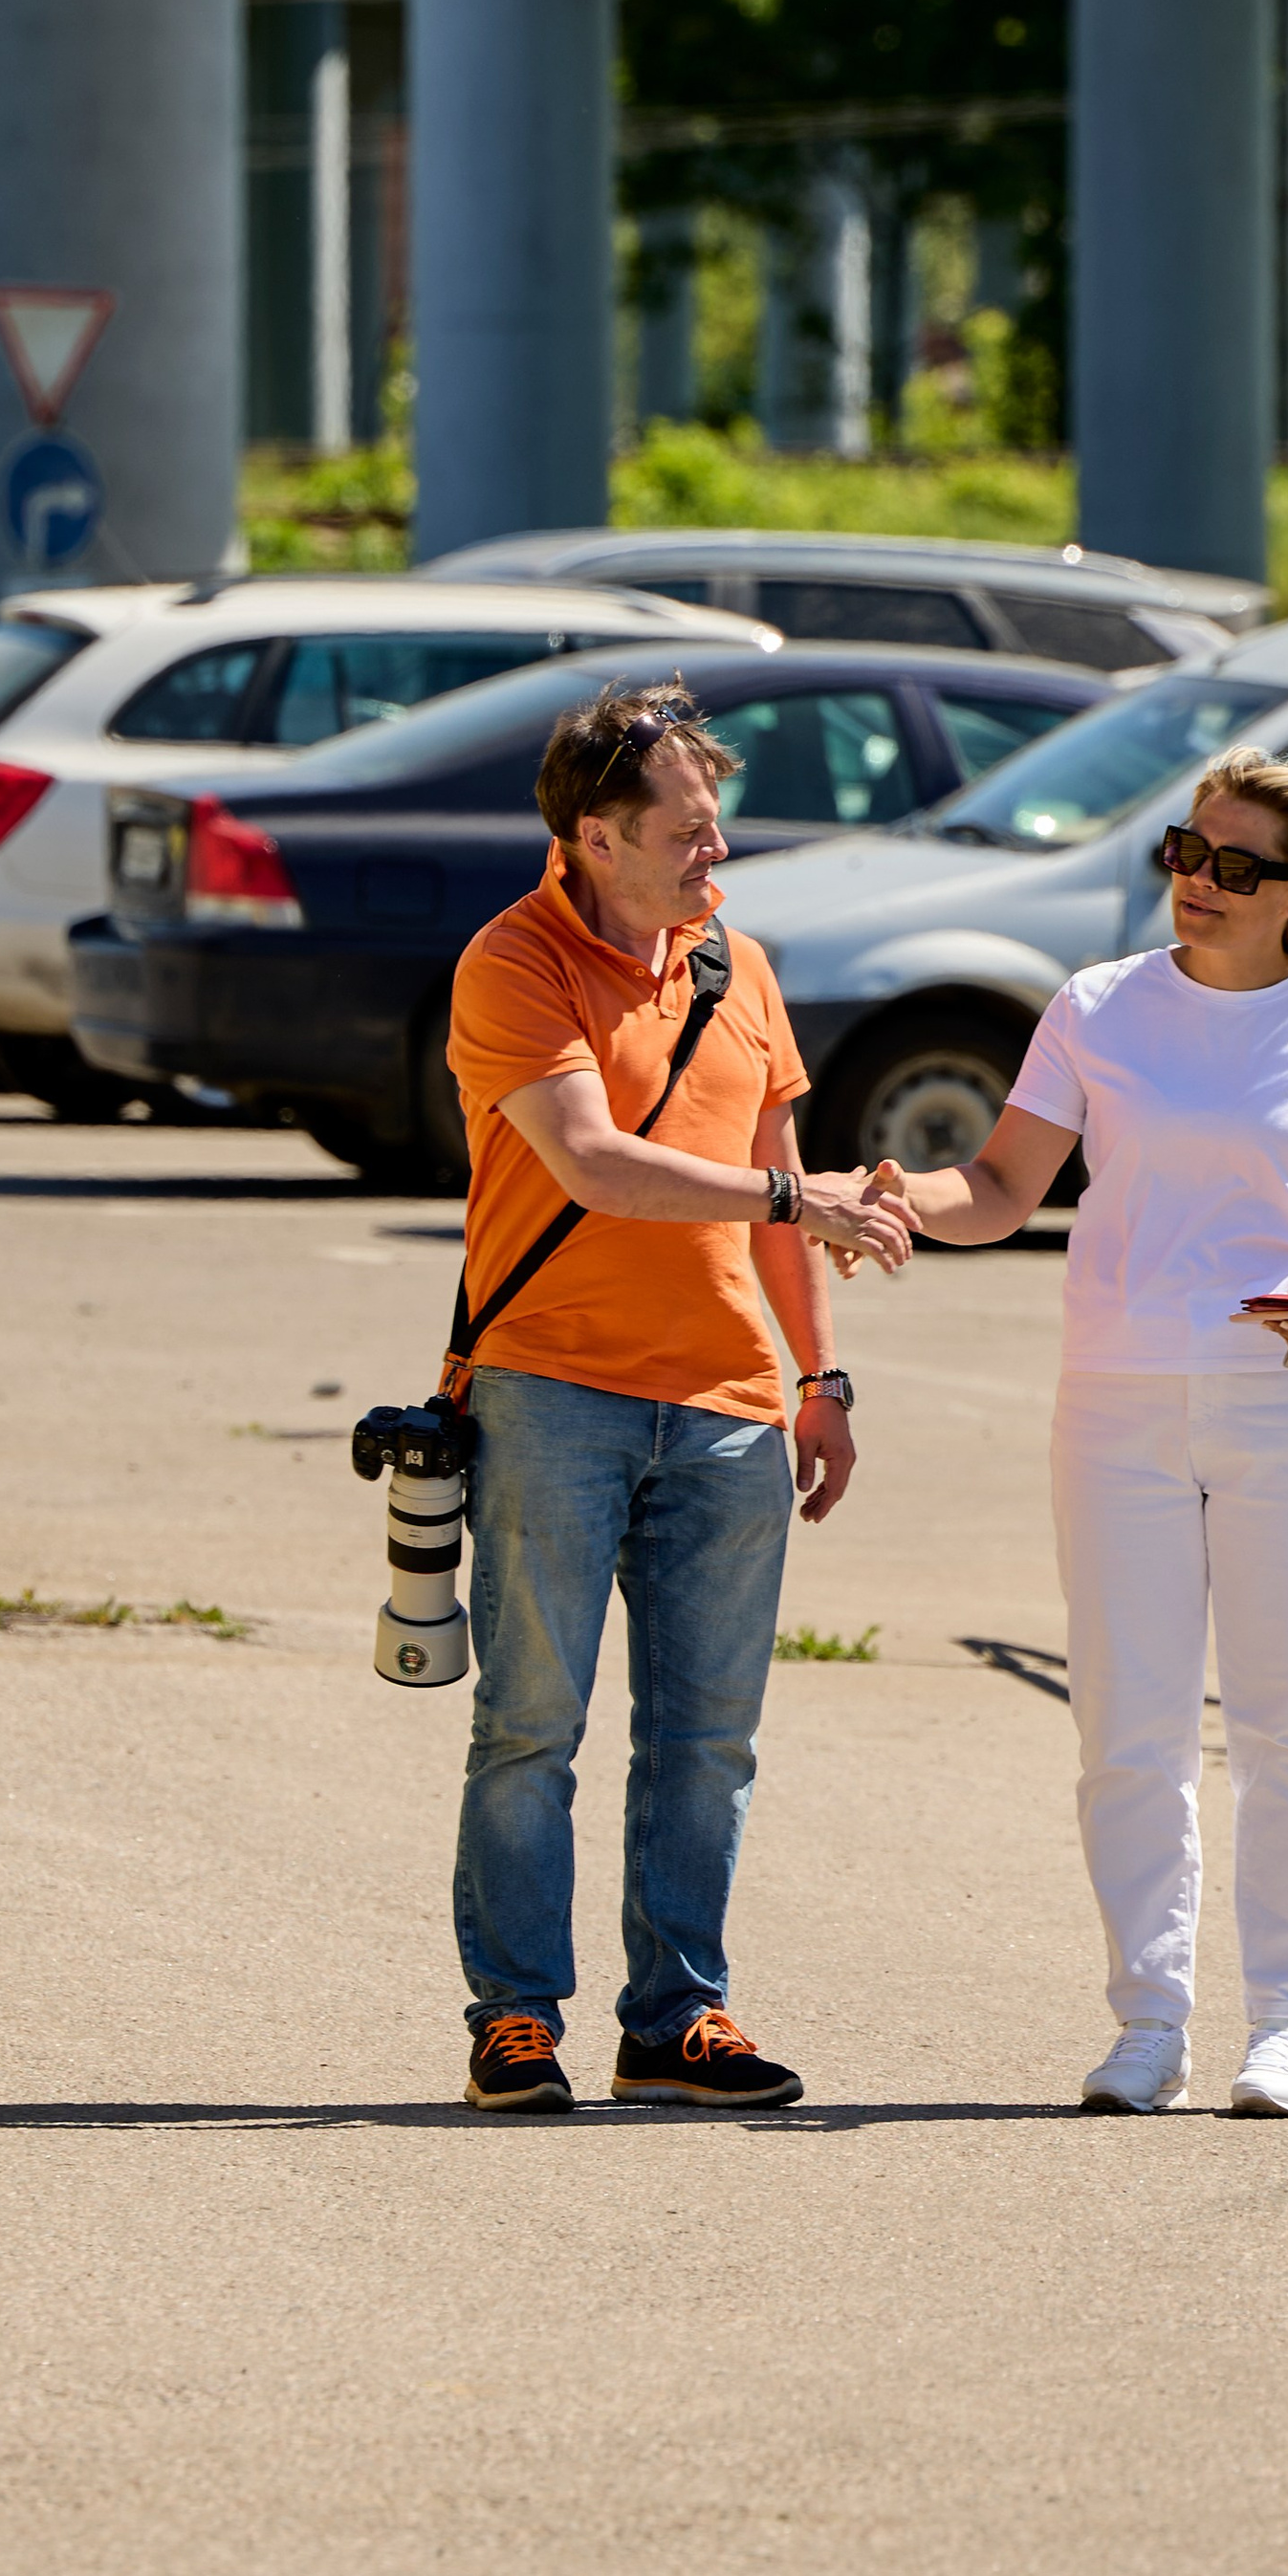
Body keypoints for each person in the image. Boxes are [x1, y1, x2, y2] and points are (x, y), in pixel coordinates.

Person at [875, 746, 1288, 2119]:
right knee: (1126, 1728)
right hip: (1116, 1396)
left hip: (1283, 1403)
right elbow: (1004, 1184)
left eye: (1235, 868)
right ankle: (1150, 2019)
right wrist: (896, 1197)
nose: (1197, 882)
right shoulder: (1097, 1007)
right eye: (1185, 852)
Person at [440, 678, 911, 2117]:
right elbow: (597, 1164)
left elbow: (782, 1213)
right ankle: (518, 2016)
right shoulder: (513, 962)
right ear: (595, 835)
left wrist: (816, 1378)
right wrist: (797, 1188)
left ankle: (678, 2016)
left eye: (717, 830)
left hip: (726, 1404)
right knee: (532, 1721)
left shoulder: (738, 969)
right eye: (690, 834)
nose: (717, 857)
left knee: (709, 1738)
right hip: (551, 1392)